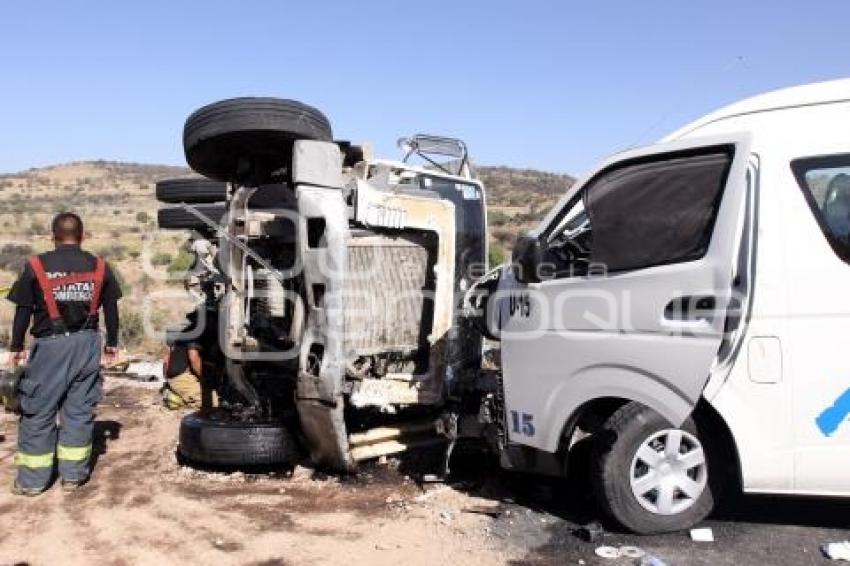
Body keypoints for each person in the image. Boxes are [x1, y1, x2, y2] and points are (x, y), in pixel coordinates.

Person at [6, 212, 121, 495]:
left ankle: (32, 482)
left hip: (50, 347)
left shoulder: (35, 266)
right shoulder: (100, 267)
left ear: (52, 236)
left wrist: (16, 348)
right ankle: (73, 476)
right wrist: (112, 344)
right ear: (82, 236)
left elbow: (23, 312)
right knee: (79, 409)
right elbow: (112, 311)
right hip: (87, 344)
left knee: (38, 409)